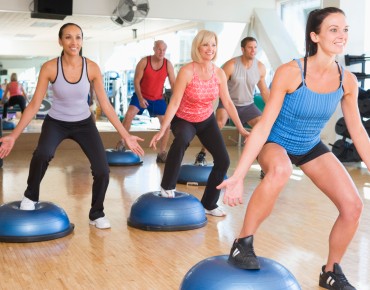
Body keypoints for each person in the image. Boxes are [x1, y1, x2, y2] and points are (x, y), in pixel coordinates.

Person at [217, 7, 369, 289]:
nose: (342, 35)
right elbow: (263, 126)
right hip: (276, 142)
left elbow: (358, 132)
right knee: (281, 170)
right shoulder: (290, 72)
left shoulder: (346, 81)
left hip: (311, 145)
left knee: (353, 206)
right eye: (333, 30)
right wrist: (238, 175)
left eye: (345, 29)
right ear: (315, 35)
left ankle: (331, 271)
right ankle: (242, 242)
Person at [0, 23, 144, 230]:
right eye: (68, 37)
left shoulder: (92, 67)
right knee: (42, 154)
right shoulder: (50, 67)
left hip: (84, 123)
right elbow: (33, 105)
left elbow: (106, 105)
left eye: (78, 37)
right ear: (60, 41)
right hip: (56, 122)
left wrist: (126, 135)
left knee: (102, 169)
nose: (74, 42)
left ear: (82, 41)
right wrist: (13, 135)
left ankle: (96, 213)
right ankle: (30, 196)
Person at [150, 30, 249, 217]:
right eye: (205, 45)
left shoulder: (218, 73)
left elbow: (227, 102)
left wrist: (242, 129)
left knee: (223, 160)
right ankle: (167, 186)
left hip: (205, 119)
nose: (210, 49)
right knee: (181, 141)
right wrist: (163, 129)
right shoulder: (187, 71)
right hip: (184, 118)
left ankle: (209, 204)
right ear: (197, 47)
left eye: (213, 45)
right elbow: (175, 101)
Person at [194, 36, 270, 167]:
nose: (253, 50)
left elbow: (264, 91)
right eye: (250, 47)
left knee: (262, 127)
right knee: (219, 123)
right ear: (243, 49)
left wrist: (273, 109)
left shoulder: (260, 68)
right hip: (228, 103)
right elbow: (217, 87)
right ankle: (202, 154)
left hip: (248, 105)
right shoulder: (231, 65)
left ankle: (263, 162)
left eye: (255, 47)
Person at [116, 40, 176, 163]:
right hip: (141, 96)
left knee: (167, 125)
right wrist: (140, 98)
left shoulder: (167, 64)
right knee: (129, 115)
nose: (161, 52)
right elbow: (136, 81)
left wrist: (176, 100)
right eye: (159, 49)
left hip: (158, 98)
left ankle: (162, 152)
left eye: (164, 50)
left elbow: (174, 83)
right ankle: (122, 142)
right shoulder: (144, 62)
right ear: (154, 49)